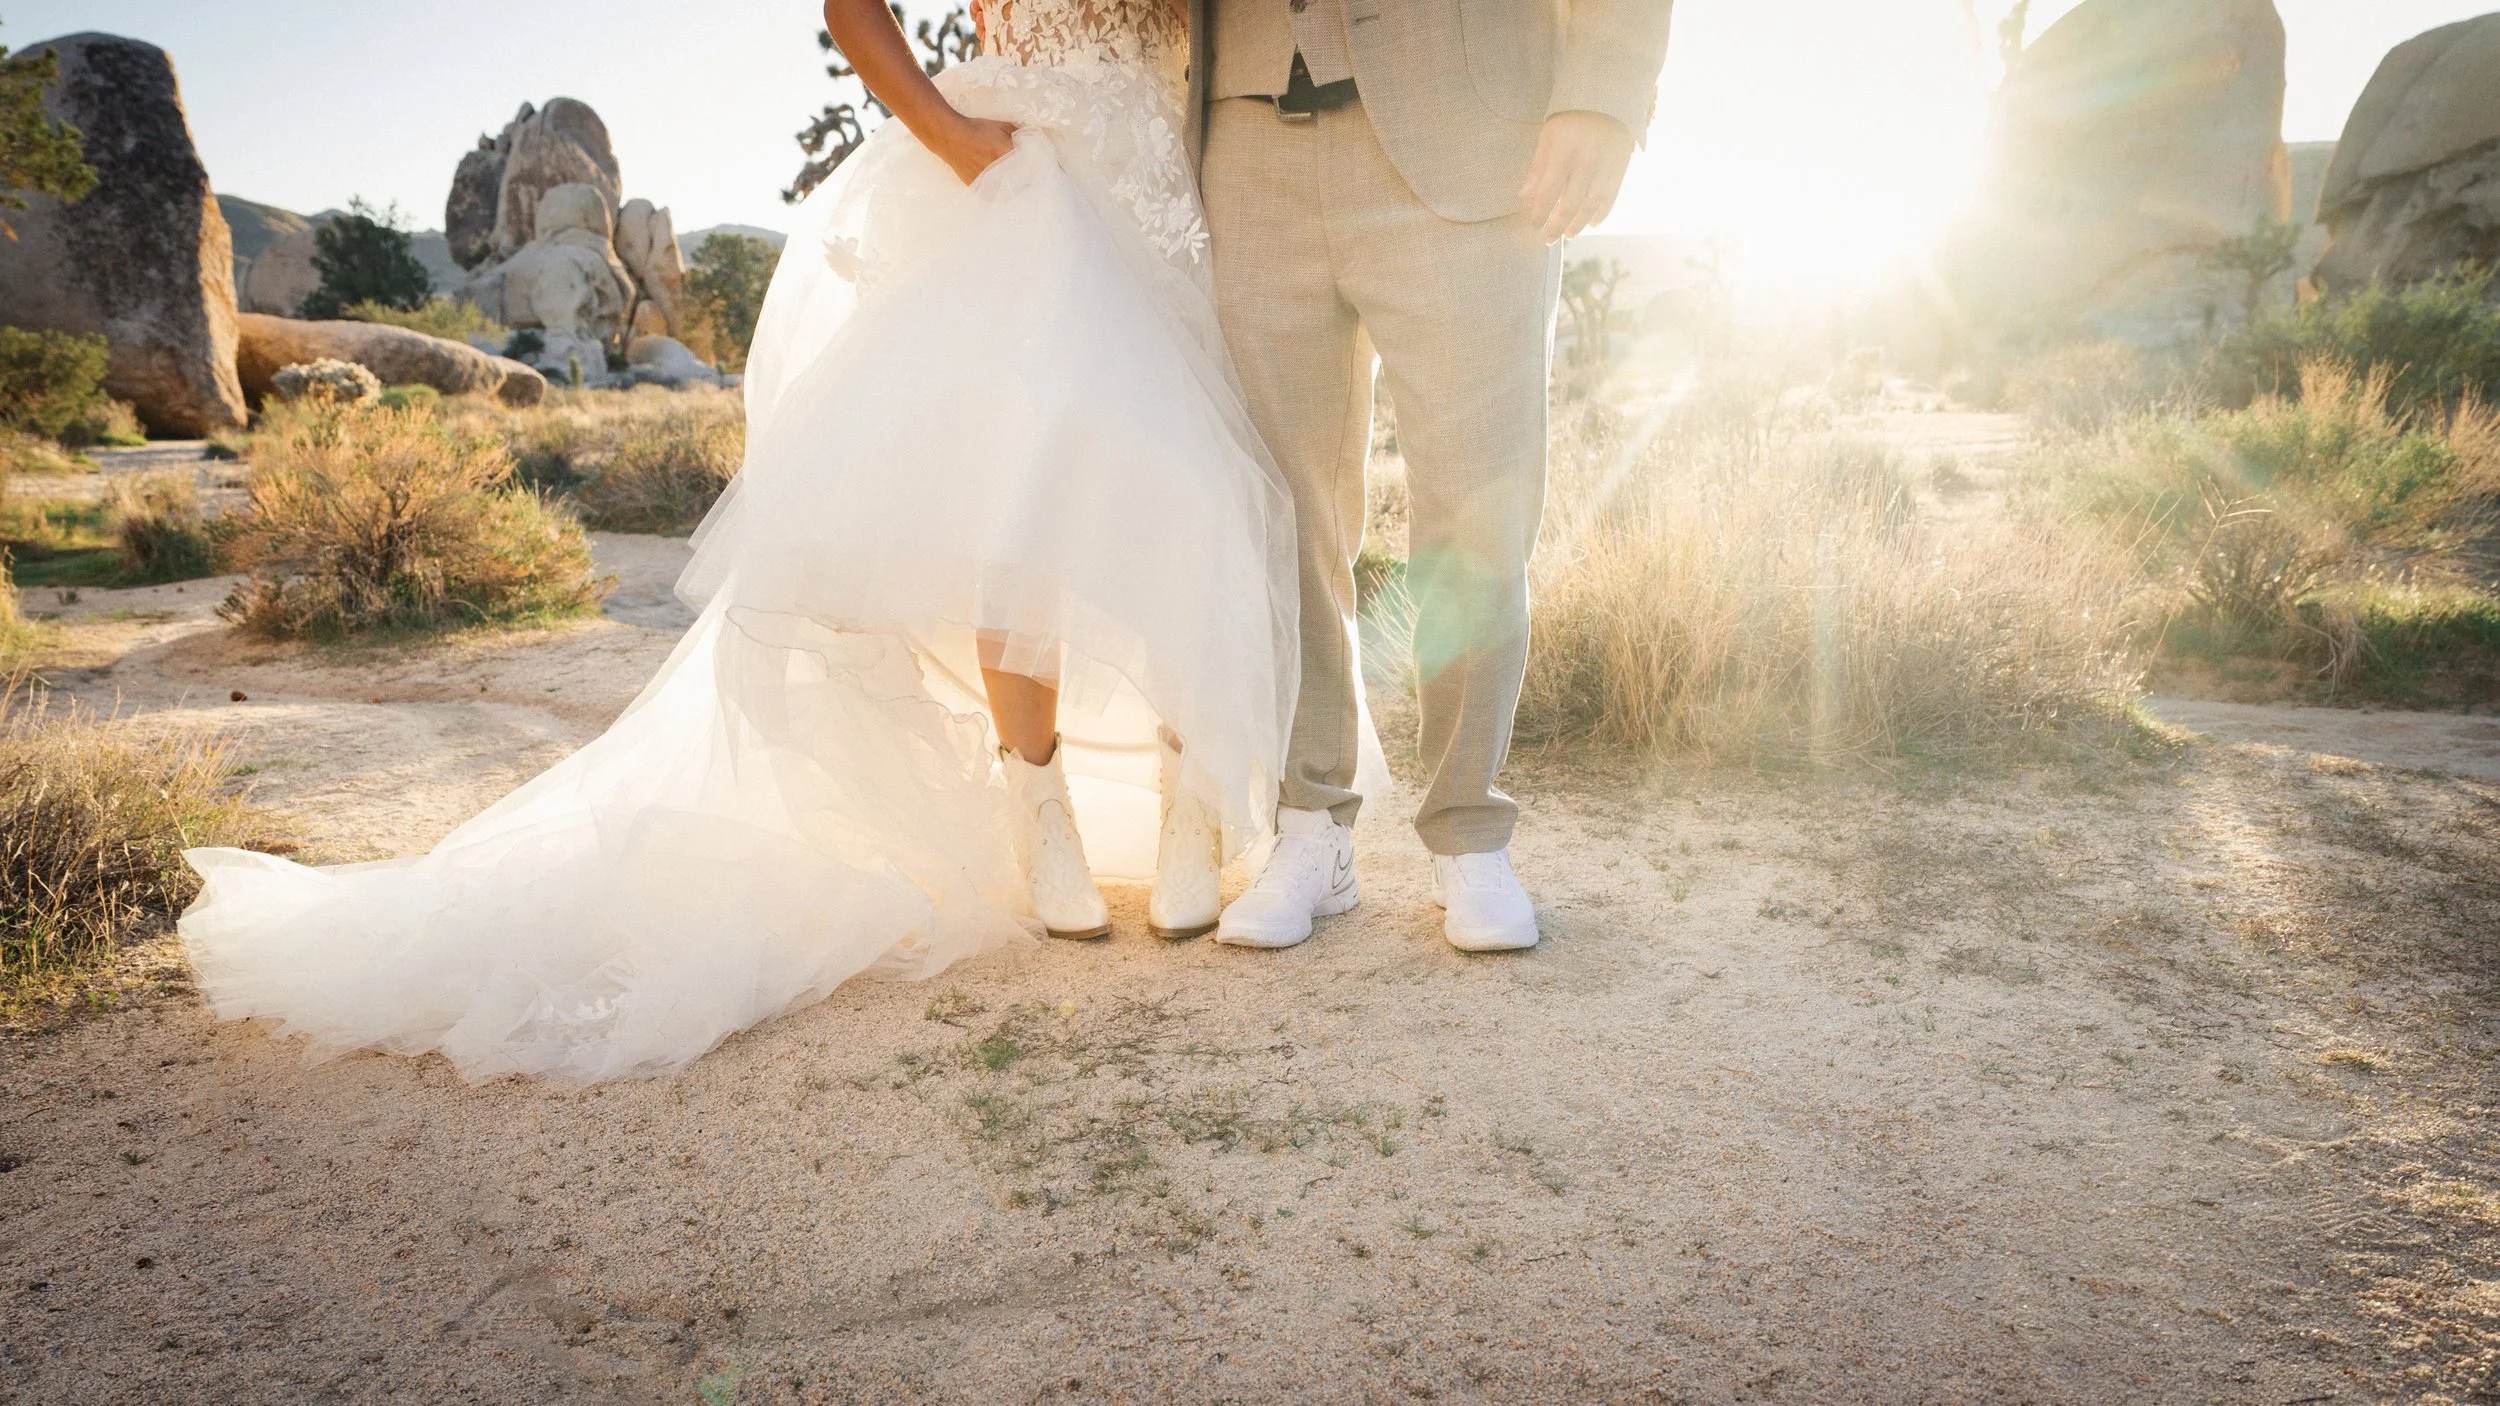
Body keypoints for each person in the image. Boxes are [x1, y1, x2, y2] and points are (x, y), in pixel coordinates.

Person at [176, 0, 1299, 1083]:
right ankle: (1038, 814)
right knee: (1015, 503)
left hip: (1173, 180)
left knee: (1182, 494)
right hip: (1021, 172)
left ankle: (1191, 800)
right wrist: (952, 137)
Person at [1194, 0, 1676, 953]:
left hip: (1475, 134)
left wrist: (1607, 95)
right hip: (1248, 137)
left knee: (1477, 505)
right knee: (1280, 511)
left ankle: (1468, 830)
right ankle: (1310, 830)